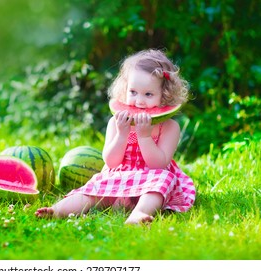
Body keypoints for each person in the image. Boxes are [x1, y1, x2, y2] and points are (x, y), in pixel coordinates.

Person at [35, 49, 196, 224]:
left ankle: (139, 213)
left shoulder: (170, 127)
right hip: (118, 180)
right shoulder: (116, 122)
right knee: (91, 190)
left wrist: (144, 137)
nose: (139, 101)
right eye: (133, 92)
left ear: (165, 96)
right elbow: (111, 162)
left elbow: (158, 164)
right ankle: (57, 210)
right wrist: (121, 134)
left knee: (162, 182)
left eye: (148, 94)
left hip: (152, 180)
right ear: (124, 89)